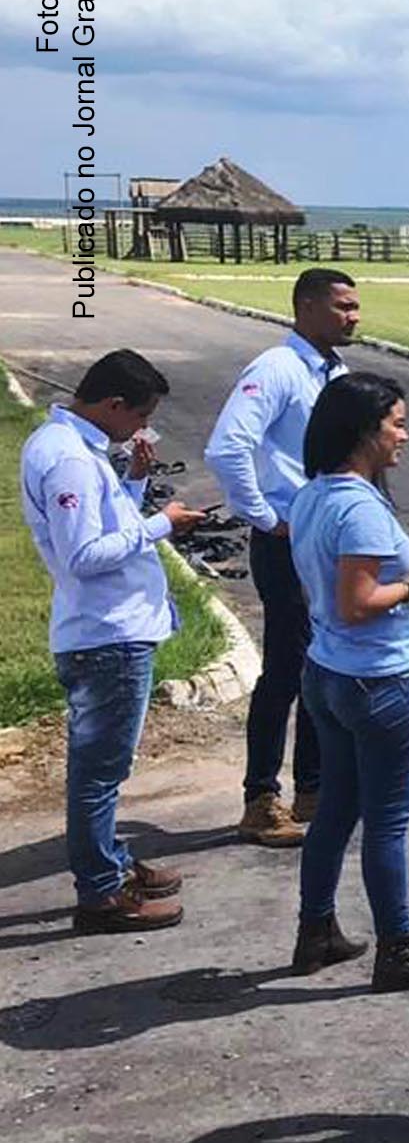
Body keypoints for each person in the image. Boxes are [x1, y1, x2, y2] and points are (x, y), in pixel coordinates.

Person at [286, 373, 409, 989]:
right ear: (365, 431)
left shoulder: (314, 494)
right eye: (396, 422)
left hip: (328, 672)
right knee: (387, 823)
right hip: (377, 680)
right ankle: (399, 947)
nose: (404, 435)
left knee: (336, 810)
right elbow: (359, 603)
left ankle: (316, 930)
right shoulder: (359, 508)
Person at [19, 349, 208, 934]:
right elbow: (84, 557)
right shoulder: (68, 460)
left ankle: (110, 865)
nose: (142, 430)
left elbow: (105, 530)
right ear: (112, 405)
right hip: (107, 637)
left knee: (104, 767)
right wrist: (162, 525)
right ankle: (100, 893)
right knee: (99, 772)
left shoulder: (78, 450)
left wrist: (136, 483)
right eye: (141, 416)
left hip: (109, 630)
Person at [206, 268, 360, 848]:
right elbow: (228, 446)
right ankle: (260, 797)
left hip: (325, 541)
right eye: (343, 306)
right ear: (307, 307)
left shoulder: (333, 373)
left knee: (323, 665)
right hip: (287, 541)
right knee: (286, 671)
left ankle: (313, 789)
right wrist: (267, 518)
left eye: (356, 305)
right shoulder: (276, 370)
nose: (354, 316)